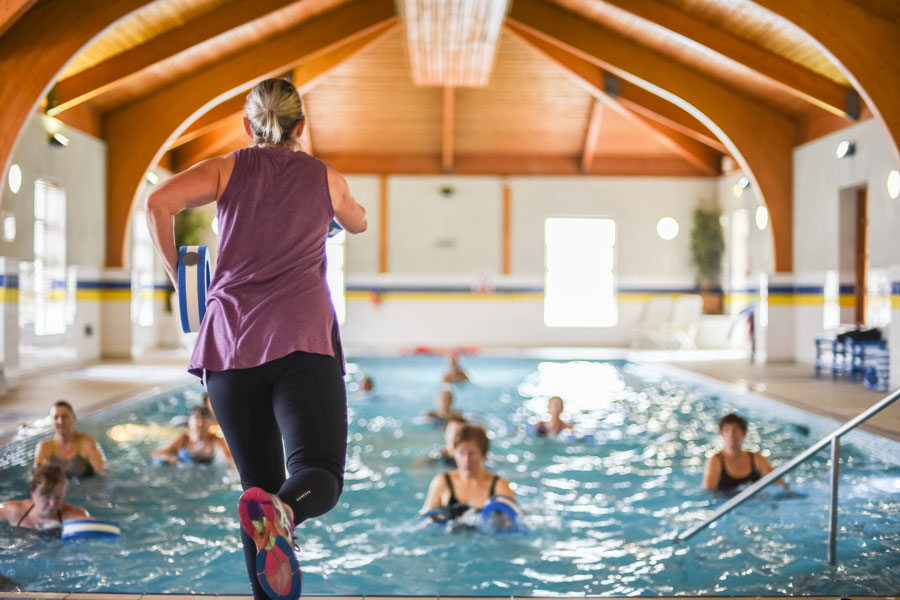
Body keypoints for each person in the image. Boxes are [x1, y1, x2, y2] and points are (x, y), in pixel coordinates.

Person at [146, 77, 366, 600]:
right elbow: (356, 222)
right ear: (302, 127)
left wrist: (184, 281)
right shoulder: (324, 177)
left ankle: (271, 532)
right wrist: (334, 215)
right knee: (318, 473)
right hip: (301, 339)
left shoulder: (226, 168)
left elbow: (158, 202)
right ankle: (286, 511)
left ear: (248, 125)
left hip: (229, 343)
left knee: (256, 498)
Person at [420, 424, 514, 522]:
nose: (466, 459)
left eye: (472, 454)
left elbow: (514, 523)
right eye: (461, 453)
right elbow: (424, 521)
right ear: (454, 453)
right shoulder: (442, 482)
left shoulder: (499, 485)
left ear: (483, 454)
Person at [703, 413, 786, 493]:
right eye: (727, 430)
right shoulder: (716, 461)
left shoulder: (756, 458)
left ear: (744, 433)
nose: (731, 434)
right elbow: (708, 493)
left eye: (735, 430)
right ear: (722, 434)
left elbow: (779, 483)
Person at [0, 465, 90, 530]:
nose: (52, 503)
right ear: (33, 494)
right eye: (46, 497)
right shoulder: (14, 511)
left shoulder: (72, 516)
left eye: (58, 497)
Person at [34, 401, 106, 478]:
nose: (60, 421)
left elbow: (101, 473)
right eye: (56, 417)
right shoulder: (45, 447)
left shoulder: (86, 442)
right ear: (52, 421)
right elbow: (38, 478)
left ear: (73, 418)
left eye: (64, 416)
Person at [152, 405, 233, 465]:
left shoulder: (214, 440)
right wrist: (174, 459)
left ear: (210, 423)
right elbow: (157, 454)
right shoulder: (183, 439)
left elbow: (229, 459)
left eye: (204, 419)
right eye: (197, 418)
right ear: (189, 421)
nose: (200, 423)